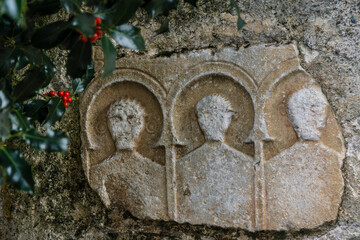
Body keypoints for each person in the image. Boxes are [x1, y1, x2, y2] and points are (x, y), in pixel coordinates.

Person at [264, 88, 344, 230]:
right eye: (302, 110)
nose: (310, 117)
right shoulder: (274, 165)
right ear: (291, 117)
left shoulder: (333, 160)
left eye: (317, 110)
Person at [177, 95, 254, 229]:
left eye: (217, 114)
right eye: (205, 115)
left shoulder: (244, 162)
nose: (211, 121)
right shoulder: (184, 164)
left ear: (228, 118)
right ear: (198, 119)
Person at [90, 99, 168, 220]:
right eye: (117, 119)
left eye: (132, 119)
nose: (125, 127)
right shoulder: (96, 173)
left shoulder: (159, 173)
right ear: (106, 125)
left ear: (145, 125)